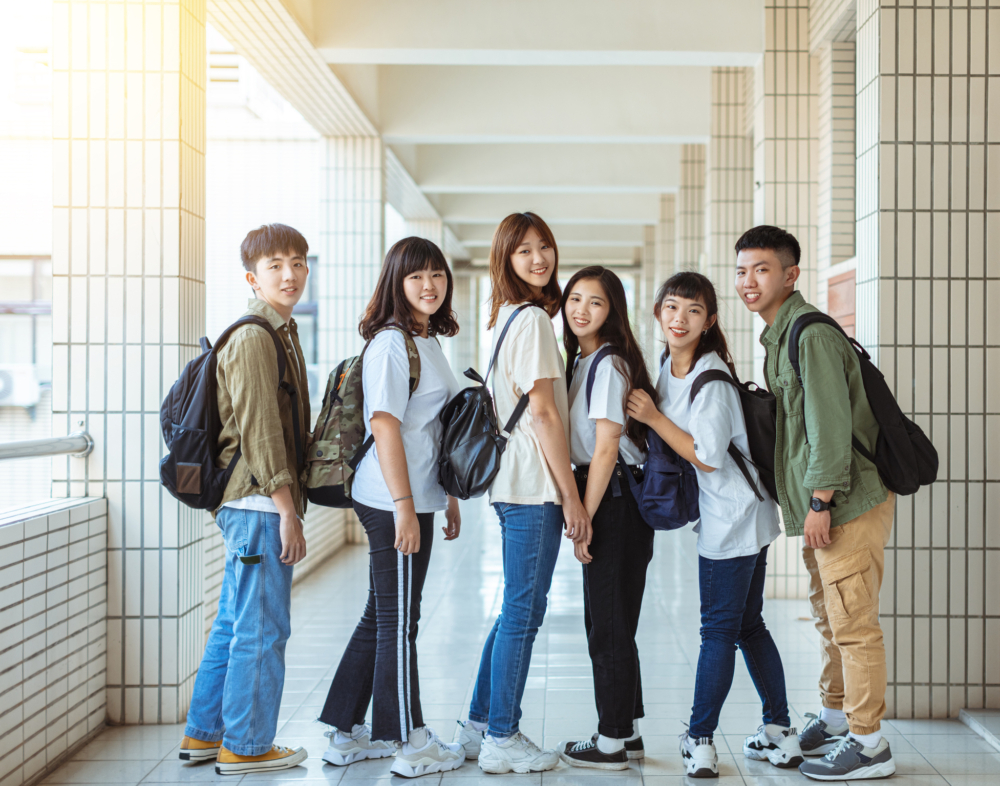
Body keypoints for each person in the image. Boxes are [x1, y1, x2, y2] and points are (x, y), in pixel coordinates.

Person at [734, 226, 896, 781]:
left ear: (790, 274)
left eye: (761, 269)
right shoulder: (779, 335)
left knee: (853, 624)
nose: (748, 281)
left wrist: (822, 500)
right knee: (831, 619)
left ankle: (871, 744)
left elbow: (829, 427)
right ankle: (833, 719)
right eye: (741, 271)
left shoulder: (809, 336)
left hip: (843, 503)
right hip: (820, 507)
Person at [627, 271, 800, 779]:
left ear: (710, 320)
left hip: (734, 519)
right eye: (672, 307)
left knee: (718, 630)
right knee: (747, 624)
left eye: (693, 310)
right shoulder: (669, 365)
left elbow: (705, 456)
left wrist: (655, 418)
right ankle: (780, 733)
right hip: (739, 513)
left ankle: (699, 740)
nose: (680, 318)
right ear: (658, 312)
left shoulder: (712, 381)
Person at [316, 237, 465, 778]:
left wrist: (443, 496)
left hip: (415, 496)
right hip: (388, 498)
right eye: (415, 277)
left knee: (383, 613)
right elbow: (385, 426)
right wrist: (405, 505)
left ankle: (345, 732)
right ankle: (411, 740)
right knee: (400, 621)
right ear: (395, 284)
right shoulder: (389, 344)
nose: (429, 285)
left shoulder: (427, 340)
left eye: (437, 275)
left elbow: (433, 430)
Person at [453, 212, 590, 774]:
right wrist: (572, 497)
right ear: (505, 260)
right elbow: (543, 414)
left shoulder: (507, 317)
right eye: (524, 251)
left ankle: (480, 725)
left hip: (510, 483)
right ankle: (502, 737)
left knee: (516, 608)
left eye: (545, 248)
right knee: (523, 614)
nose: (539, 259)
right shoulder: (532, 317)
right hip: (534, 486)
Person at [180, 224, 311, 775]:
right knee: (263, 629)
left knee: (235, 623)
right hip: (260, 505)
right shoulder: (257, 336)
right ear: (253, 277)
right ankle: (248, 745)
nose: (290, 274)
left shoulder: (276, 331)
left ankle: (205, 735)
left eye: (299, 262)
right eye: (276, 264)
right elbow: (261, 434)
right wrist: (288, 512)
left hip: (247, 505)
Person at [554, 267, 656, 771]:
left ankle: (611, 740)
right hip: (613, 498)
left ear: (613, 310)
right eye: (575, 298)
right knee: (611, 617)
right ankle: (629, 728)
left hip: (613, 499)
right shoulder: (585, 361)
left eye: (595, 302)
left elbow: (607, 447)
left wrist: (583, 518)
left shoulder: (609, 363)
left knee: (608, 623)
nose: (581, 310)